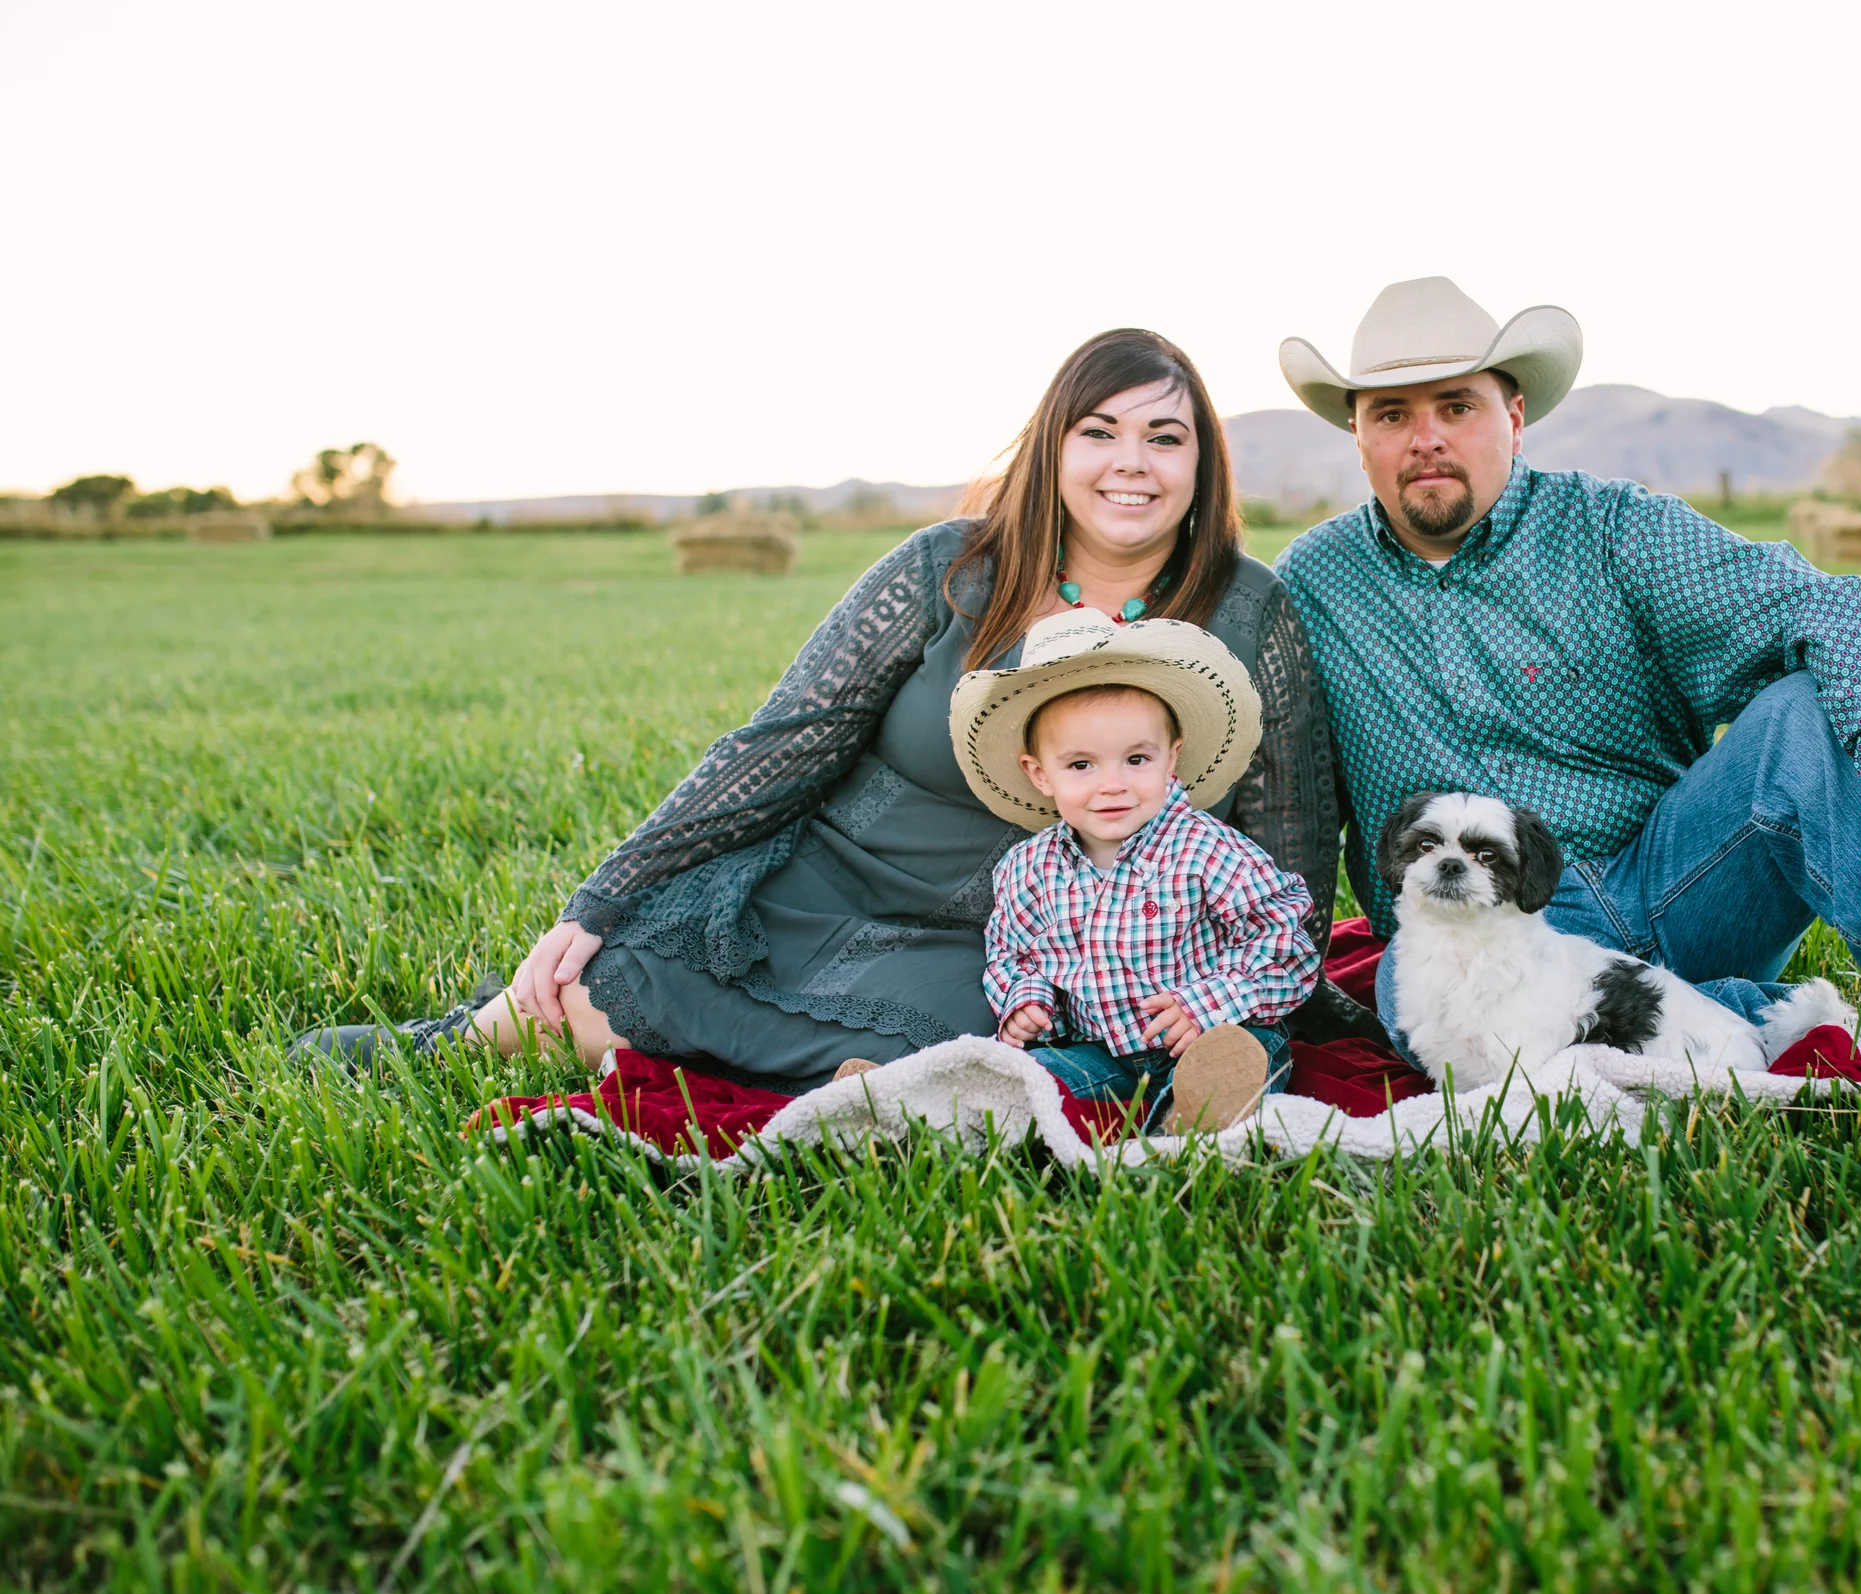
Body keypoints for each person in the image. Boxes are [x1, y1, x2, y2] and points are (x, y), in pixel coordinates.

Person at [292, 329, 1341, 1091]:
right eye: (1099, 430)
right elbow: (782, 745)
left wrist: (1266, 995)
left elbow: (1288, 838)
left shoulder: (1250, 611)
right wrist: (601, 897)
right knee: (623, 973)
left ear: (1201, 460)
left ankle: (833, 1080)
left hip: (1012, 943)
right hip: (827, 882)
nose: (1130, 462)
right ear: (1053, 447)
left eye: (1165, 437)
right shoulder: (946, 568)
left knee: (990, 1055)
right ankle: (478, 1034)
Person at [1272, 277, 1861, 1149]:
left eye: (1456, 405)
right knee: (1402, 980)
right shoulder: (1311, 583)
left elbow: (1837, 610)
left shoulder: (1615, 530)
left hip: (1676, 883)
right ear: (1357, 434)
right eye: (1390, 414)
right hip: (1475, 939)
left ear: (1515, 414)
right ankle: (1767, 1022)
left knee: (1805, 715)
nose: (1425, 439)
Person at [953, 609, 1319, 1131]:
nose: (1113, 784)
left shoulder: (1205, 849)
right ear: (1039, 774)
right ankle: (924, 1105)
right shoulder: (1028, 869)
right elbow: (1014, 953)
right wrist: (1027, 1002)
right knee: (1026, 1077)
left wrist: (1208, 1002)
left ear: (1171, 759)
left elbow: (1286, 945)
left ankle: (1192, 1116)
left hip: (1211, 1034)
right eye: (1081, 765)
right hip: (1100, 1055)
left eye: (1136, 760)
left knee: (1243, 1056)